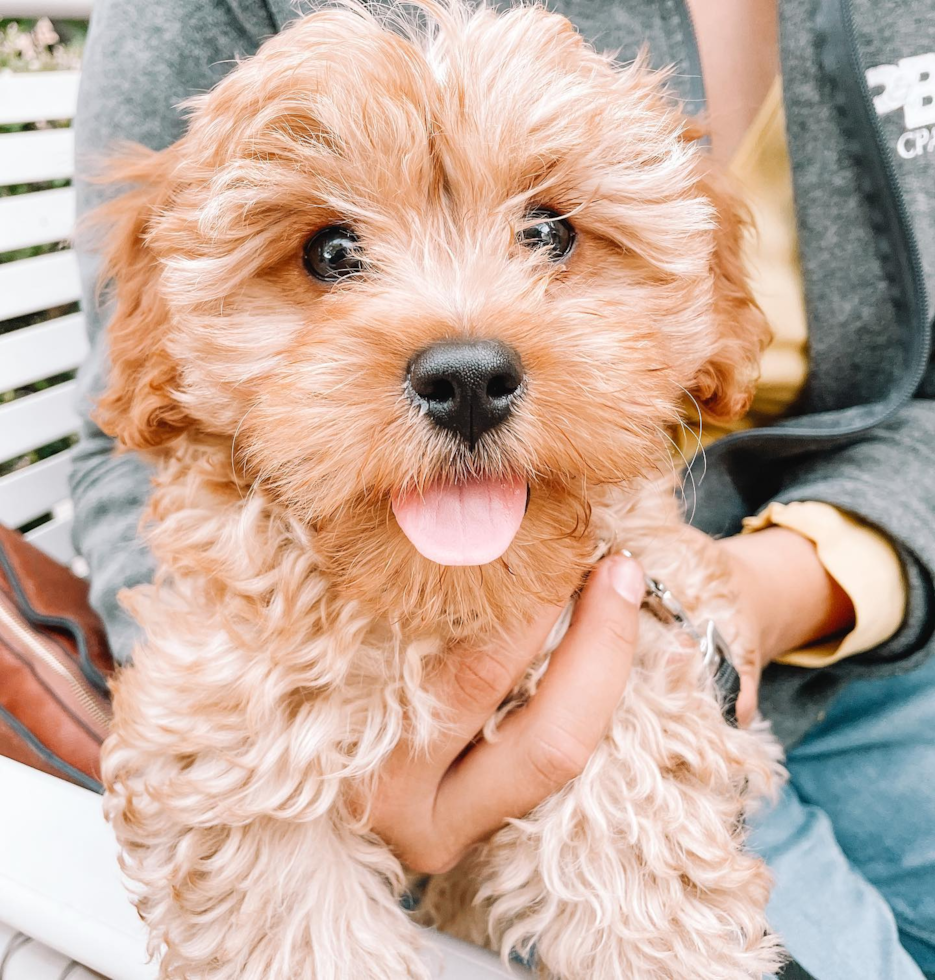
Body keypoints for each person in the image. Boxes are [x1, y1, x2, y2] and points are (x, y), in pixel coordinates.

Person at [71, 1, 935, 978]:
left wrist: (770, 589)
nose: (465, 351)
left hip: (854, 636)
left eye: (548, 234)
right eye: (332, 256)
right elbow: (131, 438)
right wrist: (296, 744)